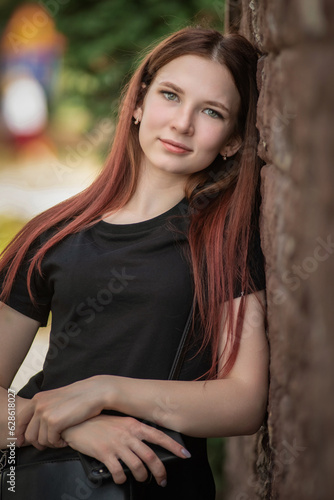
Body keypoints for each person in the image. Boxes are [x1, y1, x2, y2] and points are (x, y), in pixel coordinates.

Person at [0, 26, 269, 499]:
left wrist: (106, 392)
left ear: (230, 141)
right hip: (42, 482)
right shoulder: (50, 236)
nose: (182, 123)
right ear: (140, 103)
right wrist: (67, 424)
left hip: (162, 488)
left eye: (211, 111)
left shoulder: (227, 241)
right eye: (170, 95)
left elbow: (244, 402)